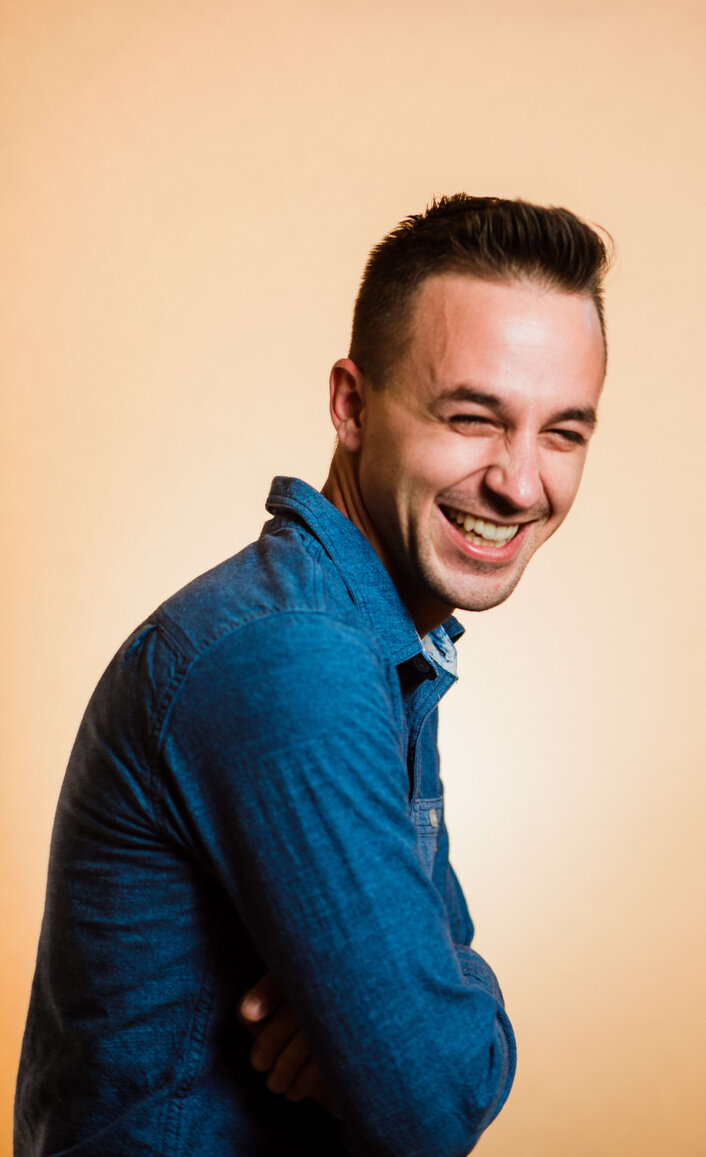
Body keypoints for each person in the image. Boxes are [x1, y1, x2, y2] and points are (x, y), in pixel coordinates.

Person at [15, 194, 609, 1157]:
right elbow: (432, 1103)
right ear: (351, 405)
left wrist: (411, 1012)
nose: (520, 481)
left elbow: (434, 1042)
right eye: (473, 417)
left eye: (563, 432)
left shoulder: (371, 639)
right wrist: (416, 1017)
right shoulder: (294, 657)